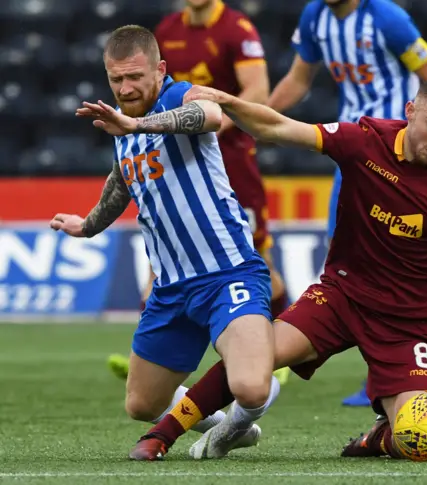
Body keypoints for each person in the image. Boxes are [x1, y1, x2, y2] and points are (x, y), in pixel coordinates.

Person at [127, 78, 427, 461]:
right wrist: (230, 102)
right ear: (411, 111)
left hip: (410, 321)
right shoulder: (363, 142)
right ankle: (163, 434)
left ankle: (380, 436)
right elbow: (279, 127)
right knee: (257, 354)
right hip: (342, 297)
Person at [50, 25, 281, 459]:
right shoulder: (123, 123)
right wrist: (88, 225)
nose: (126, 87)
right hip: (171, 289)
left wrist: (134, 123)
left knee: (251, 387)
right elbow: (122, 180)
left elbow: (212, 116)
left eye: (135, 76)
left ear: (160, 69)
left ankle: (234, 423)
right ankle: (228, 422)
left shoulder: (178, 97)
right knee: (141, 404)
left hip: (227, 273)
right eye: (116, 79)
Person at [268, 0, 427, 406]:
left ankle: (390, 368)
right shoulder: (315, 16)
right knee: (346, 252)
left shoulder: (386, 17)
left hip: (396, 150)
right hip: (354, 148)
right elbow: (299, 81)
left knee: (380, 257)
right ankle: (403, 350)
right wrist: (255, 116)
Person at [107, 0, 292, 386]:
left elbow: (257, 90)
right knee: (163, 262)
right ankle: (154, 358)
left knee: (260, 261)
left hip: (231, 159)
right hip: (169, 152)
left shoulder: (237, 29)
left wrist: (208, 127)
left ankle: (278, 353)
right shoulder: (168, 29)